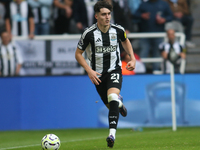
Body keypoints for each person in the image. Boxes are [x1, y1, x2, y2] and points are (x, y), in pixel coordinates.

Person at [75, 0, 136, 148]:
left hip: (114, 70)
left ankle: (111, 135)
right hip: (97, 74)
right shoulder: (88, 34)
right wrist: (89, 71)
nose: (107, 17)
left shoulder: (118, 30)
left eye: (109, 14)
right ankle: (119, 104)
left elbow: (126, 41)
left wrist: (132, 58)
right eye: (103, 14)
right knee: (112, 105)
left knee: (112, 96)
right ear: (96, 16)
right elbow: (78, 54)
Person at [133, 0, 173, 73]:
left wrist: (164, 19)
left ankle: (156, 71)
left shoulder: (164, 4)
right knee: (143, 52)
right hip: (144, 34)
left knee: (157, 53)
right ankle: (141, 72)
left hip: (159, 34)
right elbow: (135, 14)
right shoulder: (144, 4)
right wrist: (142, 15)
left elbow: (170, 16)